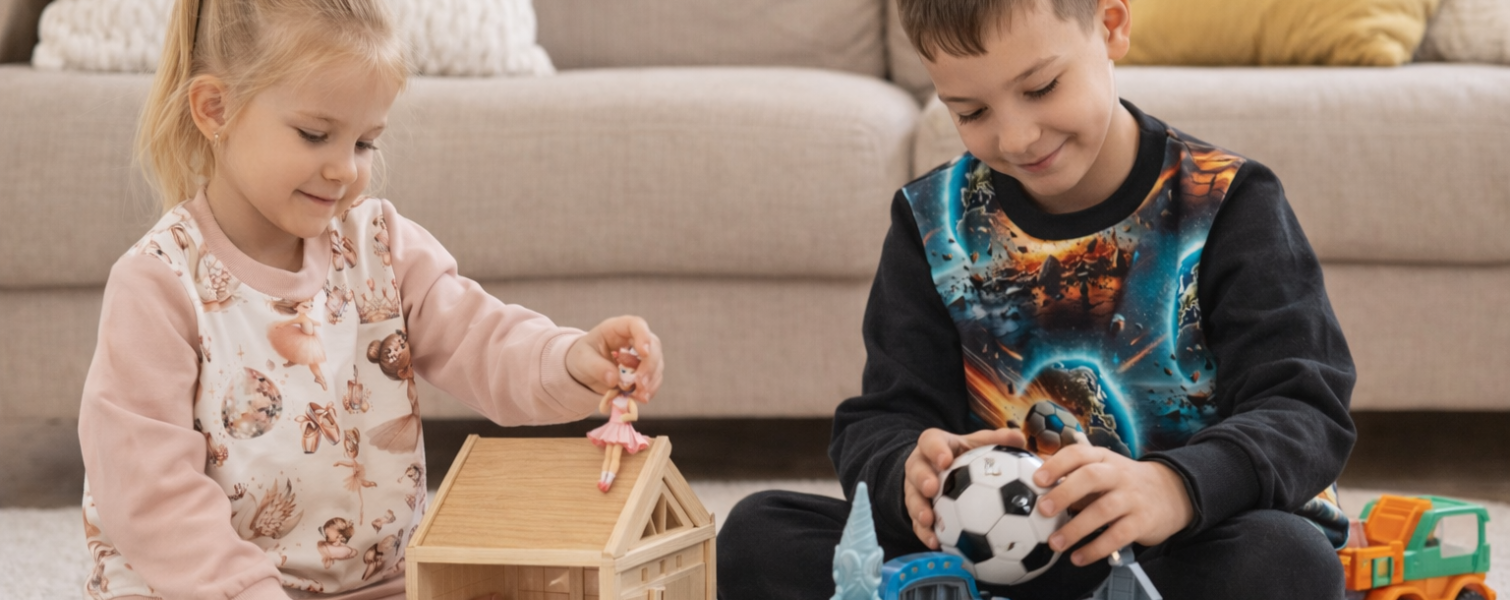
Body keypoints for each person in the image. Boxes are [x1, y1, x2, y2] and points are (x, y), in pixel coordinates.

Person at [717, 1, 1356, 599]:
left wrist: (1176, 488)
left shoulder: (1228, 203)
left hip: (1172, 555)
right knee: (757, 535)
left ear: (1111, 25)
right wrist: (906, 471)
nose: (1017, 138)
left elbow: (1304, 407)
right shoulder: (933, 223)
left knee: (1285, 560)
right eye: (972, 112)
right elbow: (882, 419)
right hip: (986, 561)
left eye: (1042, 87)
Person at [76, 1, 664, 599]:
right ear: (215, 109)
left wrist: (569, 360)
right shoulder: (158, 284)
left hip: (376, 585)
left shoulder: (379, 245)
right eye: (314, 135)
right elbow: (152, 494)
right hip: (200, 587)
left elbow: (481, 339)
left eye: (364, 143)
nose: (343, 170)